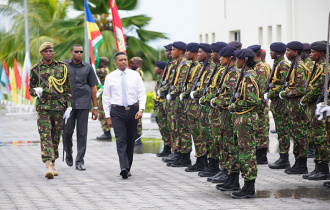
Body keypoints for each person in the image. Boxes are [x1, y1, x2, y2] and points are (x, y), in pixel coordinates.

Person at [29, 42, 72, 179]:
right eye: (46, 51)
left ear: (53, 52)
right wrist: (37, 92)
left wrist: (68, 105)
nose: (49, 53)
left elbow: (67, 87)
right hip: (43, 108)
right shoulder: (36, 69)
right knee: (45, 134)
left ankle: (53, 162)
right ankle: (48, 164)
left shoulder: (62, 67)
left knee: (55, 135)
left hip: (58, 107)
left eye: (51, 51)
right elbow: (30, 89)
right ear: (42, 53)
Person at [103, 52, 146, 179]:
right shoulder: (110, 77)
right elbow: (106, 97)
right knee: (121, 140)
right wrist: (108, 116)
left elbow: (141, 93)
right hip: (117, 111)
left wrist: (141, 109)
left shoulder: (135, 75)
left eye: (125, 59)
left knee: (130, 141)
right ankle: (123, 167)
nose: (123, 62)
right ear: (115, 62)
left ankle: (128, 167)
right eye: (120, 60)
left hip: (133, 111)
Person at [227, 48, 260, 199]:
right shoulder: (244, 75)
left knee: (247, 152)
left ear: (244, 60)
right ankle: (245, 184)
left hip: (246, 119)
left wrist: (234, 106)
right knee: (241, 151)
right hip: (241, 118)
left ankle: (249, 187)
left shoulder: (249, 77)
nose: (236, 62)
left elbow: (253, 100)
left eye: (238, 59)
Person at [63, 44, 99, 171]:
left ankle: (80, 161)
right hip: (68, 105)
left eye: (81, 52)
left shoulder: (88, 67)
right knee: (67, 133)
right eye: (76, 51)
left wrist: (95, 107)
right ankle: (68, 154)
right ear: (71, 52)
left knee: (82, 133)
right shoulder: (63, 66)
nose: (79, 54)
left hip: (84, 103)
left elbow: (93, 87)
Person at [279, 41, 310, 175]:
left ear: (296, 52)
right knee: (296, 136)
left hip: (298, 107)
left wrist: (285, 93)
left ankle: (302, 164)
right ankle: (297, 162)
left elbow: (302, 89)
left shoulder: (299, 67)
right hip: (292, 108)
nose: (286, 53)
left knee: (300, 136)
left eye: (288, 50)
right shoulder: (293, 65)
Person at [300, 41, 329, 180]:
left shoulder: (324, 67)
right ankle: (318, 167)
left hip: (318, 105)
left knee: (320, 138)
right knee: (315, 136)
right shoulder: (318, 66)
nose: (310, 54)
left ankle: (323, 168)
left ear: (321, 53)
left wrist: (305, 99)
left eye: (313, 52)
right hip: (314, 105)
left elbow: (318, 88)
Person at [264, 42, 291, 170]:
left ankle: (284, 158)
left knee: (284, 131)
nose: (270, 53)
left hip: (281, 103)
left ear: (278, 53)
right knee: (280, 131)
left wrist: (271, 93)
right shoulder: (277, 64)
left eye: (272, 51)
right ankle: (282, 156)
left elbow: (285, 85)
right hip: (276, 103)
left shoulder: (283, 66)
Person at [248, 44, 270, 165]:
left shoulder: (260, 68)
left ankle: (262, 156)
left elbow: (260, 88)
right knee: (258, 129)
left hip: (260, 104)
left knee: (261, 129)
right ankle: (259, 154)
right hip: (257, 104)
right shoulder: (255, 66)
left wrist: (258, 103)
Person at [153, 61, 171, 157]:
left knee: (166, 127)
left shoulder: (165, 79)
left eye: (157, 67)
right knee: (162, 128)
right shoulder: (160, 79)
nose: (155, 69)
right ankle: (166, 146)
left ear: (161, 69)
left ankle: (168, 148)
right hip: (158, 107)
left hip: (163, 106)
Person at [96, 57, 112, 141]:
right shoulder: (103, 70)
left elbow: (94, 71)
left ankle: (107, 133)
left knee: (103, 115)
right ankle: (106, 132)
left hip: (103, 95)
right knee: (101, 115)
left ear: (102, 63)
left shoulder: (104, 71)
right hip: (100, 95)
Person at [129, 57, 144, 145]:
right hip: (133, 98)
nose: (131, 65)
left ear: (138, 64)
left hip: (136, 99)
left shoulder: (138, 72)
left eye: (133, 63)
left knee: (137, 119)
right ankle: (134, 137)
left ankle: (138, 138)